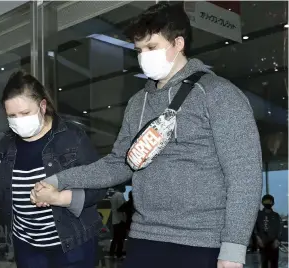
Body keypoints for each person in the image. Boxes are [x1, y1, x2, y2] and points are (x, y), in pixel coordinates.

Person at [31, 3, 262, 268]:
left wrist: (233, 248)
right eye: (139, 50)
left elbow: (245, 174)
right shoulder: (137, 103)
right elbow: (119, 163)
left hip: (203, 241)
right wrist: (60, 179)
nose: (143, 56)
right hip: (144, 237)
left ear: (178, 43)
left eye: (151, 47)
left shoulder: (218, 94)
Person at [0, 71, 107, 268]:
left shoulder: (71, 138)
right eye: (12, 115)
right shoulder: (6, 147)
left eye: (25, 113)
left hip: (72, 246)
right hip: (28, 248)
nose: (18, 120)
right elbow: (3, 196)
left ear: (42, 106)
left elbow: (99, 187)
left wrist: (59, 197)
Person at [255, 194, 282, 268]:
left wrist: (278, 240)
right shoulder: (258, 215)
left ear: (272, 203)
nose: (267, 203)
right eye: (266, 201)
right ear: (263, 202)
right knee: (264, 264)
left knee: (274, 264)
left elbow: (280, 229)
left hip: (274, 244)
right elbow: (255, 228)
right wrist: (258, 239)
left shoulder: (276, 215)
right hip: (262, 245)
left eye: (269, 201)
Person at [109, 188, 127, 259]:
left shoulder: (113, 196)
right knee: (120, 239)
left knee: (115, 238)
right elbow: (121, 207)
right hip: (120, 220)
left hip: (115, 220)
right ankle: (119, 254)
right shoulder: (119, 195)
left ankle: (111, 253)